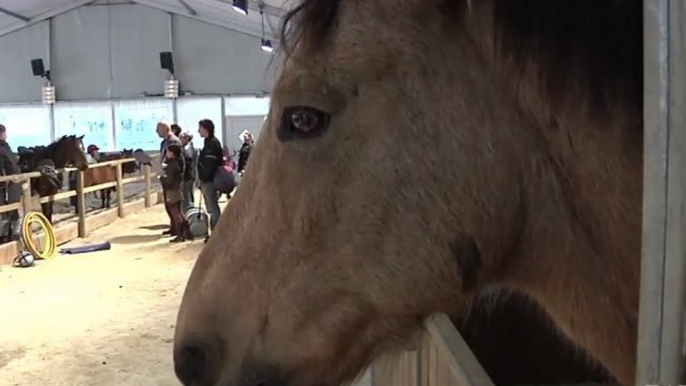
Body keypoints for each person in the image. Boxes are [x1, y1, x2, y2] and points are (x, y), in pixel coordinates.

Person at [197, 119, 223, 243]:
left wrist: (204, 178)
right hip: (208, 180)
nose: (198, 131)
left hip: (210, 180)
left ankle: (217, 234)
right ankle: (216, 233)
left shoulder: (212, 144)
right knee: (211, 207)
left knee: (213, 207)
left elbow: (210, 164)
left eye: (200, 128)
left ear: (206, 129)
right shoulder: (209, 142)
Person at [160, 144, 192, 243]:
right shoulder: (178, 163)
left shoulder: (172, 165)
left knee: (175, 213)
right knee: (179, 212)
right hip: (178, 188)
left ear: (173, 153)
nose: (167, 154)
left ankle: (180, 235)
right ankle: (187, 232)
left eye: (168, 152)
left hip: (172, 190)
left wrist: (162, 179)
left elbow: (169, 180)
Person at [157, 122, 182, 237]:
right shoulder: (165, 142)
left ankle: (179, 230)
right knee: (169, 204)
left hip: (172, 178)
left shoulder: (173, 141)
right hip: (167, 176)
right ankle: (173, 227)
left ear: (165, 129)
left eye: (158, 129)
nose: (157, 132)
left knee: (174, 205)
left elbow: (176, 161)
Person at [0, 124, 20, 242]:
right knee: (6, 209)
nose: (5, 135)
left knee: (11, 208)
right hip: (5, 184)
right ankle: (5, 235)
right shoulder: (3, 148)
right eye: (3, 133)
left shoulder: (5, 147)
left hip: (10, 183)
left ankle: (11, 234)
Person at [179, 132, 198, 212]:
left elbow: (188, 162)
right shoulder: (190, 148)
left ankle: (188, 211)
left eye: (182, 137)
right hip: (189, 175)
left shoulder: (187, 149)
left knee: (186, 195)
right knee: (188, 193)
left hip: (187, 175)